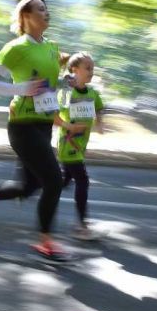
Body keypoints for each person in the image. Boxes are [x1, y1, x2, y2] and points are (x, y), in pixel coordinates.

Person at [0, 0, 73, 263]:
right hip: (23, 126)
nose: (47, 12)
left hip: (44, 124)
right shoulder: (15, 48)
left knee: (27, 187)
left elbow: (49, 83)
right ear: (26, 16)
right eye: (41, 9)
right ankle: (46, 242)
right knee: (54, 181)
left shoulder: (52, 48)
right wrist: (19, 90)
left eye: (47, 8)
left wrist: (70, 82)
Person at [57, 52, 106, 241]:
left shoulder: (93, 93)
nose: (91, 72)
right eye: (88, 68)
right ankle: (82, 226)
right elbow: (53, 113)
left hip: (81, 146)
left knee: (63, 182)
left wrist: (100, 123)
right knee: (82, 181)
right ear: (74, 70)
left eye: (92, 68)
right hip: (68, 144)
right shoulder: (67, 93)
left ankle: (36, 184)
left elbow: (100, 107)